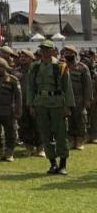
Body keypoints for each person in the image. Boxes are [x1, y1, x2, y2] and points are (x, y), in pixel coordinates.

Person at [28, 39, 74, 175]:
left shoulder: (61, 66)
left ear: (53, 51)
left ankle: (63, 165)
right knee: (45, 134)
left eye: (48, 49)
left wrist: (68, 106)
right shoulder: (34, 67)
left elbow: (67, 87)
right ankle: (52, 164)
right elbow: (30, 87)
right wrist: (31, 104)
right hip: (40, 103)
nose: (45, 52)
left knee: (61, 134)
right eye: (42, 49)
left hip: (57, 103)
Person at [0, 57, 21, 162]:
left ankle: (9, 153)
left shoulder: (12, 79)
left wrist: (18, 110)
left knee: (10, 133)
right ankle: (0, 152)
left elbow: (18, 97)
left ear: (5, 67)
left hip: (8, 111)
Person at [63, 46, 92, 150]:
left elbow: (87, 85)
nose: (67, 54)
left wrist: (87, 100)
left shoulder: (82, 67)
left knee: (80, 119)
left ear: (74, 54)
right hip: (66, 99)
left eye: (69, 52)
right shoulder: (62, 67)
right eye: (66, 52)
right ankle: (71, 140)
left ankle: (80, 141)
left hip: (79, 98)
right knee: (69, 120)